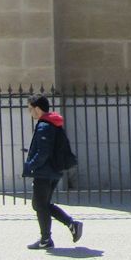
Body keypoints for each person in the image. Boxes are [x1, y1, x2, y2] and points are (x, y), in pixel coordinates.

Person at [23, 94, 84, 250]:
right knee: (42, 204)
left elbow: (43, 152)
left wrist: (31, 165)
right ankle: (70, 225)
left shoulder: (44, 125)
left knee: (39, 204)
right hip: (53, 170)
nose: (30, 113)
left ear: (37, 109)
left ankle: (47, 238)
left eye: (30, 109)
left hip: (44, 172)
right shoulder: (53, 123)